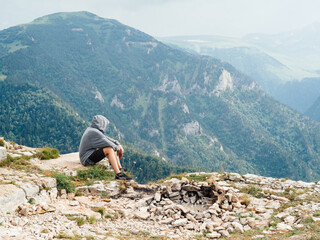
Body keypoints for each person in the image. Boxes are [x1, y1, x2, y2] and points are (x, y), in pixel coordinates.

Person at [79, 115, 132, 180]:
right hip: (87, 160)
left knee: (112, 147)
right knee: (110, 149)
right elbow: (108, 143)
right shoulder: (94, 132)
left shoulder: (92, 130)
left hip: (88, 156)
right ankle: (118, 174)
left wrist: (118, 144)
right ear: (101, 123)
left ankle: (120, 168)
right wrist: (119, 149)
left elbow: (106, 139)